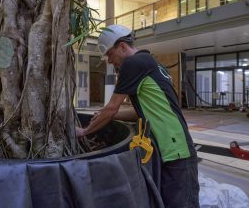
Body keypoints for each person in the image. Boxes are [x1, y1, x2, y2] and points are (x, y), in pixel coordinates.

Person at [76, 25, 200, 208]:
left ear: (122, 47)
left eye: (110, 54)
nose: (110, 61)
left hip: (177, 152)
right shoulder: (150, 62)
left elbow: (111, 108)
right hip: (173, 150)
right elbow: (140, 111)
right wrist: (107, 116)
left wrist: (84, 131)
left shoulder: (133, 64)